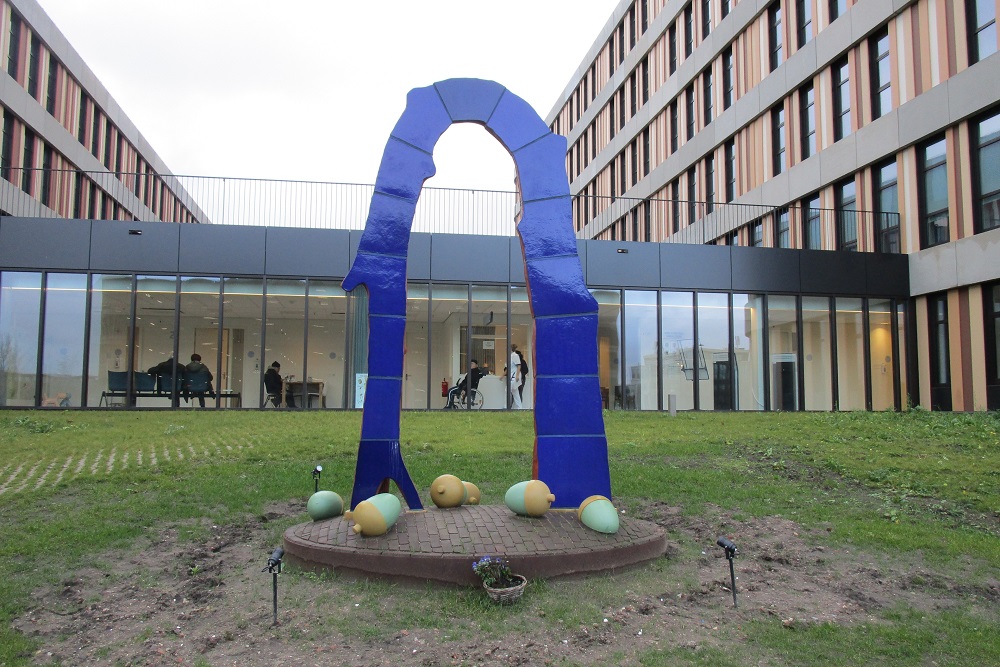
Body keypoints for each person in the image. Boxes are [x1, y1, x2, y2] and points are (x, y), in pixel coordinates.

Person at [509, 344, 522, 409]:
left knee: (508, 390)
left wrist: (517, 376)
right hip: (512, 375)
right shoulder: (510, 356)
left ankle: (506, 406)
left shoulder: (515, 356)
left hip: (514, 375)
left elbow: (518, 365)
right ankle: (519, 407)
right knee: (515, 391)